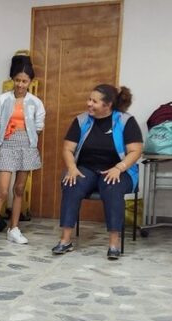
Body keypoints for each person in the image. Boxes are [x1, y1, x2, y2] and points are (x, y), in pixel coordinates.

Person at [54, 84, 143, 259]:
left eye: (94, 101)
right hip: (87, 169)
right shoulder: (81, 120)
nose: (88, 104)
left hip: (119, 170)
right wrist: (72, 168)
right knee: (71, 182)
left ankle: (114, 243)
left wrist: (119, 168)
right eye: (89, 99)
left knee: (112, 186)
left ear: (107, 105)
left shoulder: (125, 121)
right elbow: (67, 149)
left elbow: (135, 150)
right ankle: (65, 240)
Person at [0, 59, 45, 249]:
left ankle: (13, 229)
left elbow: (39, 127)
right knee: (2, 190)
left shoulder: (36, 103)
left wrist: (28, 138)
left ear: (30, 81)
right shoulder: (3, 99)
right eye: (17, 80)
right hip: (6, 144)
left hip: (27, 146)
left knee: (19, 189)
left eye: (24, 81)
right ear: (12, 80)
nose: (20, 85)